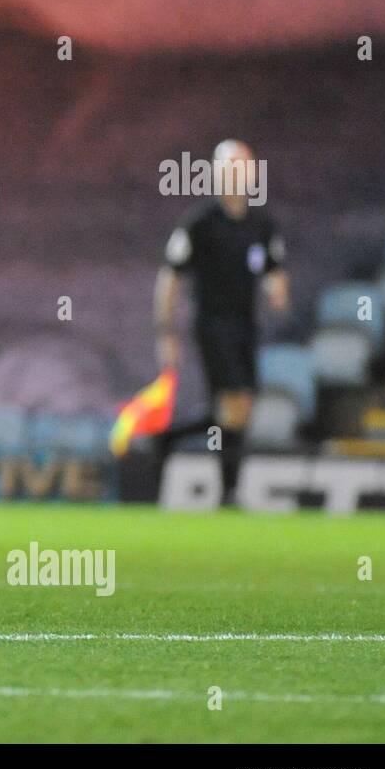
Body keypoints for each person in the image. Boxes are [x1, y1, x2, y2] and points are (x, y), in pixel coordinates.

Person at [154, 138, 288, 502]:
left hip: (246, 326)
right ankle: (229, 490)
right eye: (230, 165)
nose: (237, 173)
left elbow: (274, 269)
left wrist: (277, 291)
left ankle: (170, 438)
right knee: (234, 403)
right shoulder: (201, 223)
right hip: (212, 325)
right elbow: (171, 276)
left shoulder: (261, 224)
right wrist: (166, 331)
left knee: (240, 409)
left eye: (244, 165)